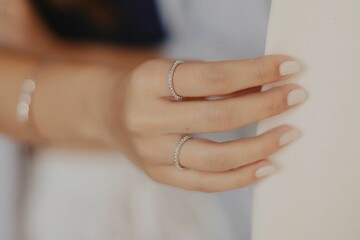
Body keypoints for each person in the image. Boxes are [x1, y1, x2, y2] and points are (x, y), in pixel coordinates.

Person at [0, 0, 308, 239]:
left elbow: (253, 62)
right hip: (66, 183)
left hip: (216, 185)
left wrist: (55, 57)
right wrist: (107, 104)